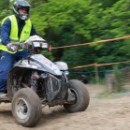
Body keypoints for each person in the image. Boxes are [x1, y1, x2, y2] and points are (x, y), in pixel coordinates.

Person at [0, 0, 37, 99]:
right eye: (22, 9)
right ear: (16, 10)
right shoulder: (8, 20)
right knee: (5, 71)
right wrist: (8, 43)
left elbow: (35, 35)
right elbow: (4, 34)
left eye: (25, 10)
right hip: (7, 50)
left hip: (21, 51)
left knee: (33, 67)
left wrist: (43, 43)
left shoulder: (29, 22)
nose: (24, 12)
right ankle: (1, 91)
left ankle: (30, 88)